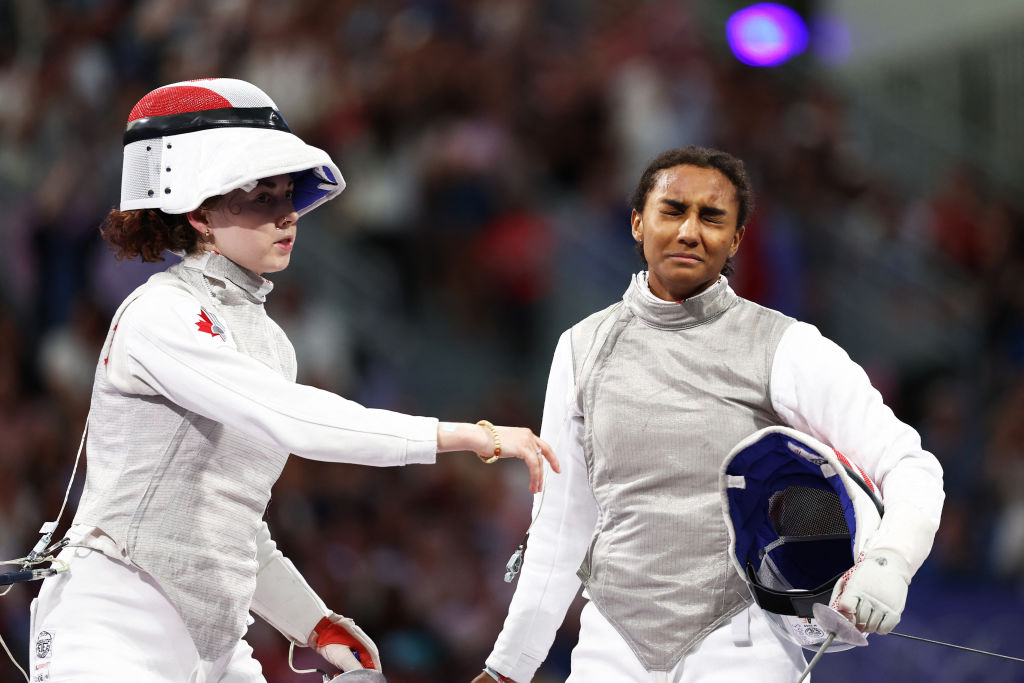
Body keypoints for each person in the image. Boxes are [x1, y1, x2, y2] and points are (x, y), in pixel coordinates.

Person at [25, 78, 559, 683]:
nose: (286, 213)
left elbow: (229, 524)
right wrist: (469, 436)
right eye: (258, 196)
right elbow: (290, 418)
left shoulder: (269, 341)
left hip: (215, 644)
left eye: (287, 193)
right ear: (198, 212)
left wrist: (313, 623)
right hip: (112, 627)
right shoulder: (159, 314)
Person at [473, 146, 944, 682]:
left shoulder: (783, 346)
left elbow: (909, 463)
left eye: (712, 217)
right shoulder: (581, 347)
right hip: (612, 647)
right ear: (637, 223)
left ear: (736, 239)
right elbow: (561, 523)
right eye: (672, 210)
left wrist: (890, 562)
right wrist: (509, 667)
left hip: (745, 646)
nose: (690, 231)